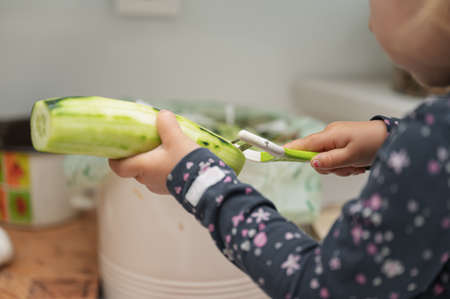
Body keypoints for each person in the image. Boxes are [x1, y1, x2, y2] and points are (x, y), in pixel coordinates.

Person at [109, 1, 450, 298]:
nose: (369, 17)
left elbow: (320, 288)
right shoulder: (432, 137)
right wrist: (392, 138)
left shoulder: (430, 139)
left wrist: (194, 178)